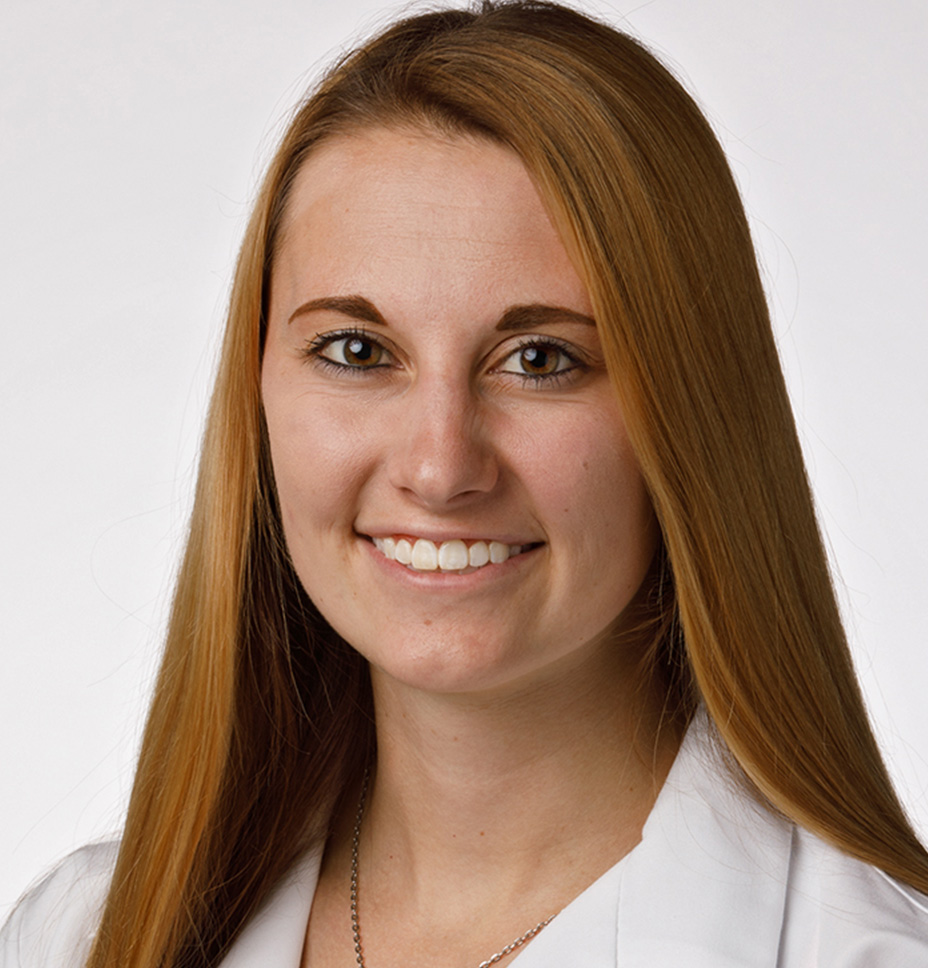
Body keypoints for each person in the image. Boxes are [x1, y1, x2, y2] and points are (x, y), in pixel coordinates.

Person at [3, 2, 928, 965]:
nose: (441, 469)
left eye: (540, 360)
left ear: (694, 415)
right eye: (357, 351)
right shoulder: (80, 939)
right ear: (258, 395)